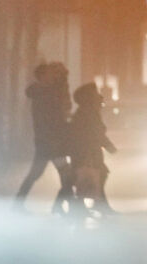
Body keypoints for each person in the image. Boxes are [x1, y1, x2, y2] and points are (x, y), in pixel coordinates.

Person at [15, 62, 72, 213]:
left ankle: (18, 203)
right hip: (52, 142)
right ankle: (59, 206)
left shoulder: (45, 92)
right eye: (49, 74)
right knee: (66, 175)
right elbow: (59, 112)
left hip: (46, 142)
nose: (52, 77)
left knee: (36, 174)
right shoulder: (45, 94)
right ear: (42, 76)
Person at [67, 82, 117, 218]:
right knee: (88, 177)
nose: (98, 96)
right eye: (95, 94)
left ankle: (90, 206)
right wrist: (108, 146)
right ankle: (93, 206)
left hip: (87, 152)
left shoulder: (88, 112)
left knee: (95, 176)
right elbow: (96, 134)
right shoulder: (87, 114)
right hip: (87, 152)